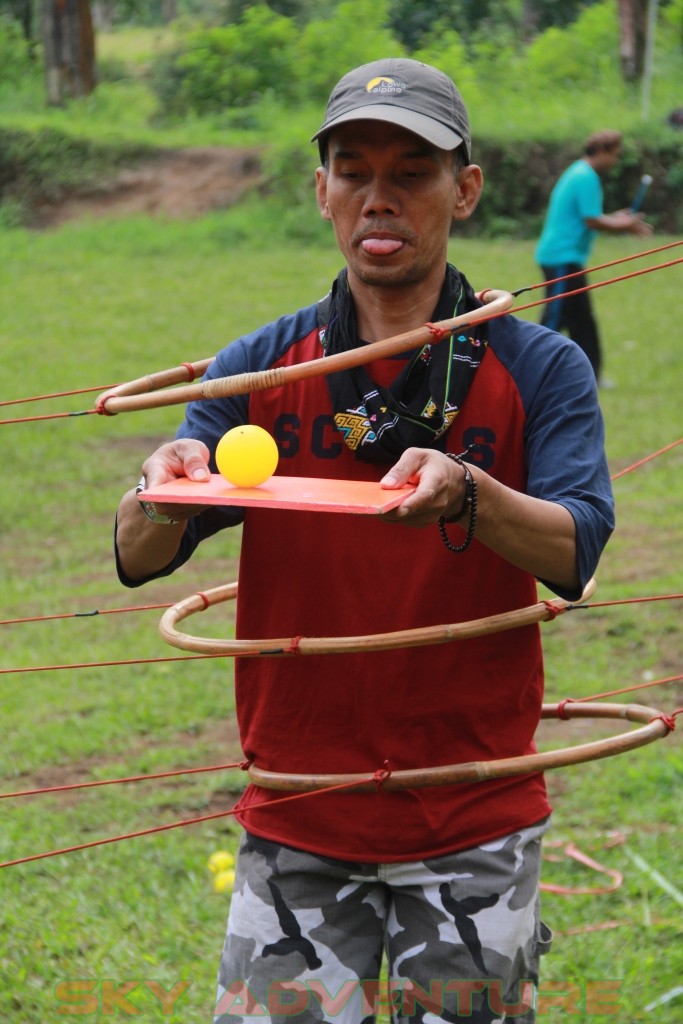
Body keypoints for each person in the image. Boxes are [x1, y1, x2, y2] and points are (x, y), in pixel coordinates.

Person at [115, 58, 615, 1024]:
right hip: (299, 807)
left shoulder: (537, 364)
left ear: (463, 190)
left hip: (471, 809)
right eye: (352, 170)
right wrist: (166, 480)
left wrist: (469, 491)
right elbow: (140, 553)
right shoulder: (259, 366)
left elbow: (577, 547)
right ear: (321, 192)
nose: (377, 198)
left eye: (412, 172)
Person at [535, 129, 652, 385]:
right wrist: (626, 225)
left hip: (568, 257)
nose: (615, 161)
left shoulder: (580, 172)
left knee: (582, 321)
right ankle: (532, 372)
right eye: (614, 155)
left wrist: (618, 219)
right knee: (553, 320)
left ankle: (590, 376)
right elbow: (592, 220)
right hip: (560, 258)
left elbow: (592, 216)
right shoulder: (585, 177)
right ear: (601, 151)